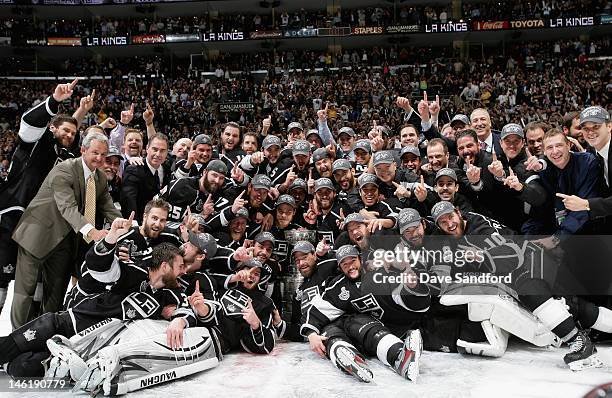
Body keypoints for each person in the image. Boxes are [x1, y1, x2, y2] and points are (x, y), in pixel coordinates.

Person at [11, 132, 121, 328]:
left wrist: (125, 225)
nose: (100, 158)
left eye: (103, 155)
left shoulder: (101, 178)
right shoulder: (64, 170)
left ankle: (44, 336)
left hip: (64, 241)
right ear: (83, 150)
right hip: (36, 236)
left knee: (55, 295)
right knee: (24, 294)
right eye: (95, 152)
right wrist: (92, 232)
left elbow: (108, 207)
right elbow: (67, 208)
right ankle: (16, 340)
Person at [0, 79, 82, 312]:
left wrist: (82, 112)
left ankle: (29, 336)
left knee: (35, 285)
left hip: (40, 228)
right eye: (65, 130)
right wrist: (54, 100)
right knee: (2, 280)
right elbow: (27, 122)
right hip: (12, 219)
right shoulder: (37, 141)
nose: (69, 135)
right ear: (52, 128)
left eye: (73, 133)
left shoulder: (66, 156)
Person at [120, 133, 171, 220]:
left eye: (162, 150)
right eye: (155, 149)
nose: (158, 154)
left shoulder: (167, 168)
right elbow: (129, 201)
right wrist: (134, 224)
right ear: (147, 148)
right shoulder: (134, 169)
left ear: (167, 152)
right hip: (140, 222)